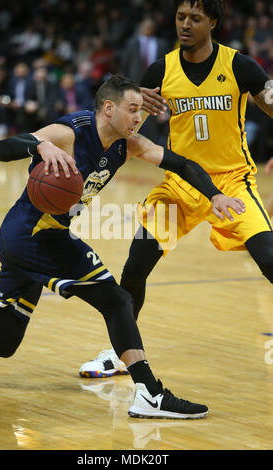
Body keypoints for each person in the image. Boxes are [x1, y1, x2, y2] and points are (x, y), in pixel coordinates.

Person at [0, 75, 244, 420]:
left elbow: (182, 164)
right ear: (108, 108)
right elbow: (0, 149)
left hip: (38, 236)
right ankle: (149, 393)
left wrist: (215, 194)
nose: (137, 118)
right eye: (132, 110)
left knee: (3, 342)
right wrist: (39, 145)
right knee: (117, 300)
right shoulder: (71, 131)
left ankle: (148, 394)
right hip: (30, 236)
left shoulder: (126, 144)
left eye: (140, 112)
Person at [80, 0, 273, 380]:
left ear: (213, 23)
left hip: (231, 181)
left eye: (195, 18)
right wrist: (137, 107)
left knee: (269, 258)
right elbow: (120, 116)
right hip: (180, 186)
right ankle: (122, 355)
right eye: (181, 17)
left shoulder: (240, 65)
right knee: (135, 266)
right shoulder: (160, 70)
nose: (185, 24)